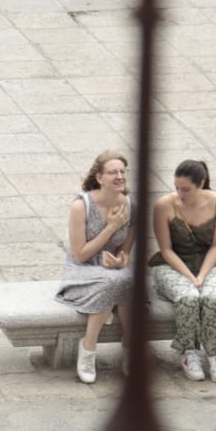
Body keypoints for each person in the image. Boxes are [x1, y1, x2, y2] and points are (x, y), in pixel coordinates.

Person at [56, 150, 137, 384]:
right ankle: (88, 348)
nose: (120, 176)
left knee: (123, 280)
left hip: (112, 271)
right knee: (113, 283)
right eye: (113, 172)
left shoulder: (131, 206)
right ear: (100, 178)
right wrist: (110, 228)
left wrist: (121, 260)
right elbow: (80, 254)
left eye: (122, 172)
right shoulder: (81, 206)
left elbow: (125, 251)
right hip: (82, 270)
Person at [149, 159, 216, 383]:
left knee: (213, 298)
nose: (180, 193)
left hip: (208, 262)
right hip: (172, 264)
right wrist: (190, 277)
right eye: (176, 188)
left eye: (185, 189)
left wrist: (203, 275)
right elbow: (166, 250)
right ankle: (190, 353)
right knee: (188, 297)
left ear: (201, 184)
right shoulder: (164, 206)